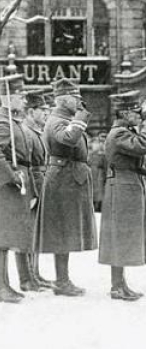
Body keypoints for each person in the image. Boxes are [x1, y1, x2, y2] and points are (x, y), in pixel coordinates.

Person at [34, 78, 96, 297]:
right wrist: (80, 118)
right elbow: (67, 139)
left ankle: (63, 279)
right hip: (63, 178)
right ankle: (62, 281)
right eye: (75, 97)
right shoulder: (57, 120)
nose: (79, 101)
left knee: (65, 230)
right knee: (62, 231)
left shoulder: (63, 118)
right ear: (63, 99)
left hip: (67, 177)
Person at [99, 91, 146, 301]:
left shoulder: (123, 132)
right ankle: (117, 286)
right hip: (123, 185)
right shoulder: (119, 134)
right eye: (135, 112)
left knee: (123, 235)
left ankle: (120, 283)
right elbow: (144, 146)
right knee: (120, 236)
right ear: (124, 113)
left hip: (127, 184)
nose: (139, 115)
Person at [0, 75, 35, 303]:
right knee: (2, 238)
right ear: (7, 97)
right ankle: (2, 287)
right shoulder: (3, 124)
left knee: (8, 236)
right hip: (7, 185)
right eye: (20, 96)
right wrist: (11, 176)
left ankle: (6, 284)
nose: (23, 100)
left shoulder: (13, 122)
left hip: (17, 182)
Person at [19, 91, 53, 291]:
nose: (46, 114)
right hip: (33, 187)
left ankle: (35, 274)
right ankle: (27, 278)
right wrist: (32, 193)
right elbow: (28, 166)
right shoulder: (27, 132)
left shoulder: (36, 132)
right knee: (27, 234)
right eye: (42, 110)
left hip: (41, 185)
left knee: (35, 234)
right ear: (31, 112)